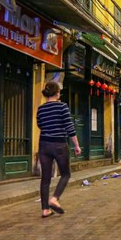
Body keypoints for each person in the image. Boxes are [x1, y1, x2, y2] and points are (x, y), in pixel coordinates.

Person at [36, 81, 81, 219]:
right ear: (57, 93)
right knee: (66, 174)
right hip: (59, 144)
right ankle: (54, 199)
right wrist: (77, 145)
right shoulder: (62, 107)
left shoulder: (41, 108)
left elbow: (39, 124)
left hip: (44, 145)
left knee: (45, 178)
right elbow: (69, 127)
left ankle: (45, 210)